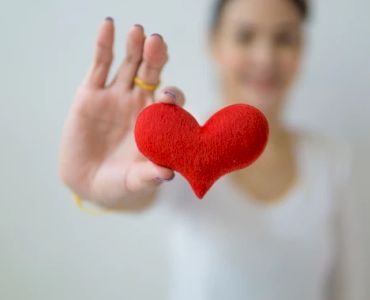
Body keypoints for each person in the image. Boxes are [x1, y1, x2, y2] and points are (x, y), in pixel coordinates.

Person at [58, 0, 360, 299]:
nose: (265, 57)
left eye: (283, 38)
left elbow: (347, 288)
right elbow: (136, 195)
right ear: (214, 43)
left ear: (301, 48)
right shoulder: (176, 143)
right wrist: (94, 183)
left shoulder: (333, 160)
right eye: (245, 36)